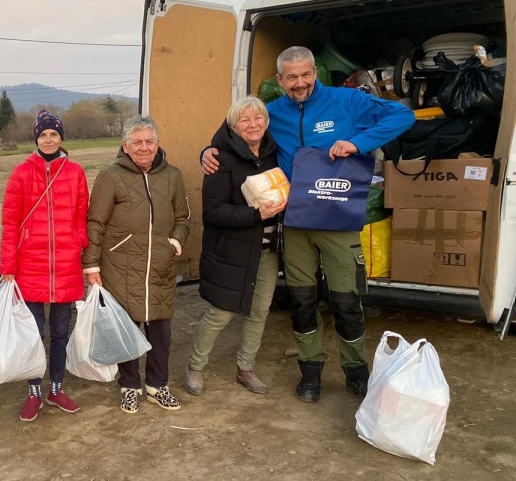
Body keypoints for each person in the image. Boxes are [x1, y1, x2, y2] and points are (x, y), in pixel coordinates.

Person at [201, 46, 414, 403]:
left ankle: (355, 371)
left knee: (346, 300)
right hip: (295, 221)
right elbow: (232, 134)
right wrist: (207, 151)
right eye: (291, 77)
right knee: (302, 300)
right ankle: (310, 372)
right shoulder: (272, 113)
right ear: (280, 80)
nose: (299, 83)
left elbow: (401, 116)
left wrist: (357, 143)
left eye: (305, 75)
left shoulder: (346, 101)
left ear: (315, 73)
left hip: (337, 218)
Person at [83, 115, 190, 414]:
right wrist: (91, 266)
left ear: (157, 144)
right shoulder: (110, 176)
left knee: (160, 331)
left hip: (159, 265)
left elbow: (183, 217)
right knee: (125, 329)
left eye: (149, 141)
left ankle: (158, 386)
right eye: (137, 142)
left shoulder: (172, 176)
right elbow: (95, 223)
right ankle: (129, 385)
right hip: (120, 266)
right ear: (125, 146)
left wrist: (176, 241)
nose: (144, 147)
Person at [185, 96, 286, 397]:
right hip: (232, 250)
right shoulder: (220, 159)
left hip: (268, 249)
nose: (253, 124)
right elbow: (212, 212)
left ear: (267, 122)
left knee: (259, 310)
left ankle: (246, 368)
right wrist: (255, 215)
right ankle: (195, 366)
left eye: (259, 118)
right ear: (232, 125)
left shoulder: (273, 153)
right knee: (222, 312)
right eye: (245, 119)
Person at [0, 109, 89, 422]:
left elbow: (81, 214)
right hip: (30, 267)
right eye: (43, 135)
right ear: (36, 138)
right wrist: (8, 265)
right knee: (34, 333)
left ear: (61, 137)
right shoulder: (21, 173)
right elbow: (10, 223)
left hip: (65, 265)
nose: (49, 139)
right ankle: (34, 391)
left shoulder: (75, 172)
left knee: (61, 332)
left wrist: (78, 241)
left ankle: (57, 387)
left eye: (54, 134)